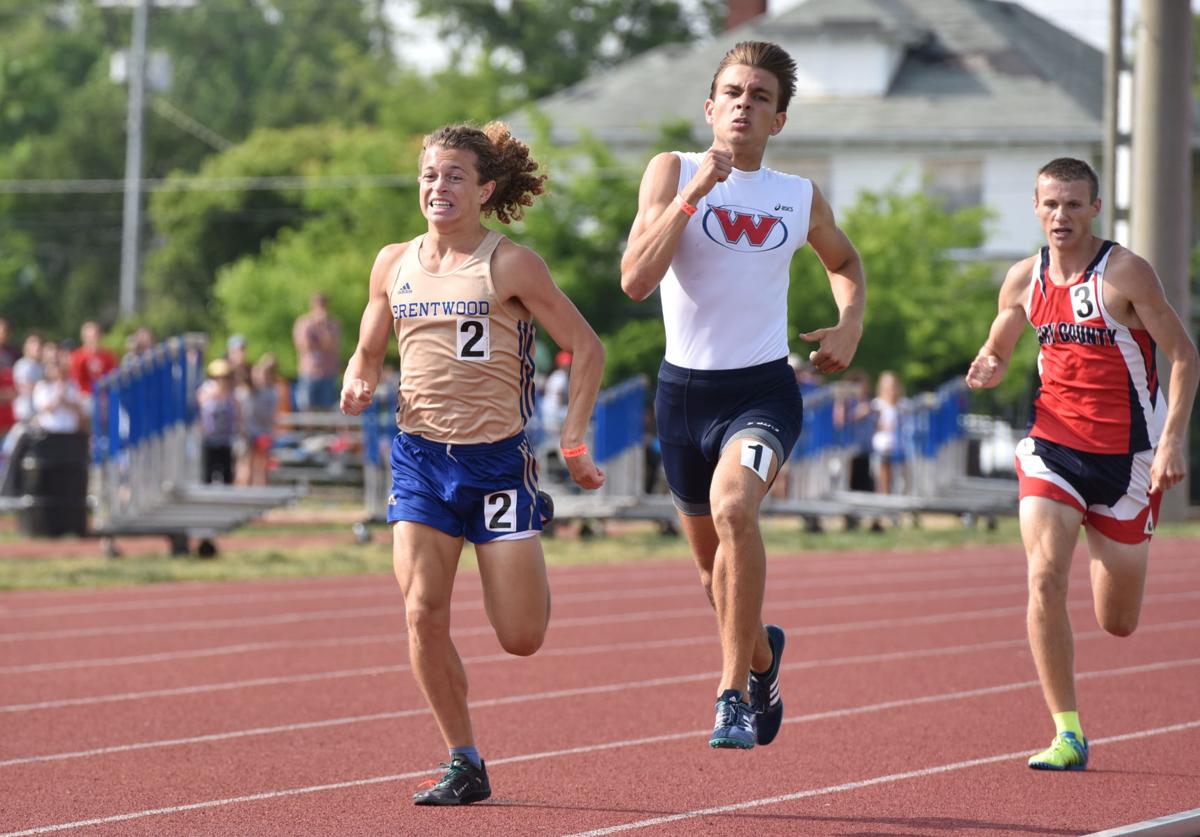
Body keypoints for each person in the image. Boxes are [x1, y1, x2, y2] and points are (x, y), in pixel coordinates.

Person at [339, 121, 606, 805]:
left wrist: (574, 436)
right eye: (430, 174)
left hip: (495, 465)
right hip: (420, 459)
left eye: (455, 175)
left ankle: (529, 528)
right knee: (422, 610)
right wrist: (359, 377)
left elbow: (587, 345)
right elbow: (369, 347)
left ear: (484, 189)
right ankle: (464, 759)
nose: (439, 187)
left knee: (520, 637)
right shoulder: (392, 262)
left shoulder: (510, 263)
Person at [620, 41, 866, 750]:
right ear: (709, 106)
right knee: (711, 575)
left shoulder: (796, 194)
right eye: (732, 92)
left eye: (760, 97)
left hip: (761, 391)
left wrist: (850, 321)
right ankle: (762, 656)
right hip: (681, 397)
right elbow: (636, 280)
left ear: (778, 120)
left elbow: (844, 259)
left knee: (736, 508)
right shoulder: (671, 171)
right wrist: (693, 195)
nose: (743, 106)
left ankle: (731, 695)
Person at [966, 157, 1199, 771]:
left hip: (1128, 461)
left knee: (1116, 622)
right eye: (1050, 204)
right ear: (1036, 207)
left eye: (1073, 204)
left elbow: (1184, 358)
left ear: (1095, 208)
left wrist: (1173, 440)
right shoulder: (1023, 278)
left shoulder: (1125, 273)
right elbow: (1000, 341)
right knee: (1044, 576)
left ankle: (1110, 534)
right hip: (1053, 448)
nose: (1060, 215)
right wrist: (989, 362)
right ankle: (1068, 732)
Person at [293, 294, 341, 411]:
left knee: (328, 408)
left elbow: (333, 346)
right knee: (307, 407)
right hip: (309, 372)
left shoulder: (332, 325)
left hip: (328, 373)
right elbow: (304, 345)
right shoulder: (304, 323)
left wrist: (323, 328)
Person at [68, 321, 118, 397]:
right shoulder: (77, 357)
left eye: (94, 335)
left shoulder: (108, 356)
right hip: (84, 398)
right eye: (88, 336)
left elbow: (114, 376)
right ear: (83, 337)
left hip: (105, 396)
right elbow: (75, 380)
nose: (92, 339)